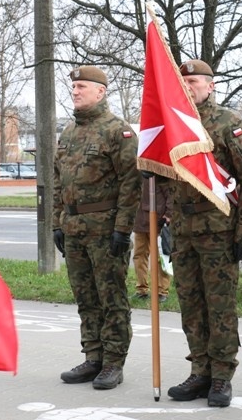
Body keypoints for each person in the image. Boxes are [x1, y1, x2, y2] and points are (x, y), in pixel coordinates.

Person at [166, 59, 242, 408]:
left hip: (219, 229)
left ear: (211, 85)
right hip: (183, 229)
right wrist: (165, 220)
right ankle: (200, 370)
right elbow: (169, 179)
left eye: (194, 81)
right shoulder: (172, 123)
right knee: (191, 304)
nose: (188, 86)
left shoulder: (228, 123)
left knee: (220, 305)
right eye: (184, 81)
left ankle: (221, 376)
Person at [52, 65, 141, 390]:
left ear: (101, 92)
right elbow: (58, 181)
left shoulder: (118, 131)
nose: (75, 91)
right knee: (85, 297)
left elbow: (131, 184)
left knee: (111, 297)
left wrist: (122, 229)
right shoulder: (69, 132)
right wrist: (57, 223)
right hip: (74, 227)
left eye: (82, 87)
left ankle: (113, 363)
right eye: (74, 87)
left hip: (105, 229)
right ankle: (93, 357)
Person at [131, 175, 172, 303]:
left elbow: (171, 193)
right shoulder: (136, 172)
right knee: (139, 255)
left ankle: (162, 291)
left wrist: (169, 214)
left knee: (161, 256)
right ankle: (141, 289)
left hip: (159, 219)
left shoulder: (160, 171)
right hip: (139, 219)